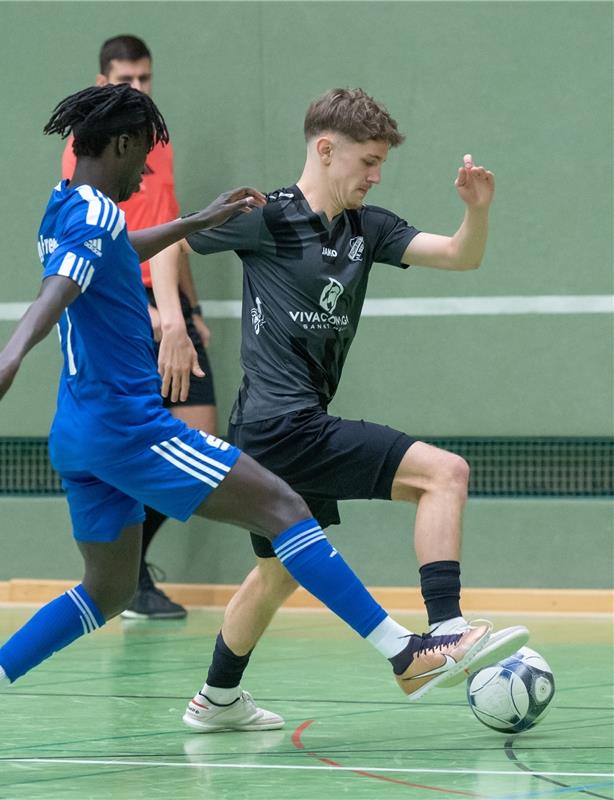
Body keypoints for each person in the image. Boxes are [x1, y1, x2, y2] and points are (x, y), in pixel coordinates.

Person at [0, 84, 494, 776]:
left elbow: (114, 247)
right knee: (287, 508)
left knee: (104, 590)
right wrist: (8, 357)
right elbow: (64, 285)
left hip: (76, 431)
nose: (148, 177)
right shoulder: (100, 208)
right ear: (125, 145)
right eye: (148, 161)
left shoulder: (66, 206)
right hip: (129, 426)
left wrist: (197, 218)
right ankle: (405, 654)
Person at [149, 88, 529, 733]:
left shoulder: (368, 228)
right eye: (368, 162)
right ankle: (446, 631)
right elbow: (168, 243)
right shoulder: (263, 215)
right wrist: (173, 324)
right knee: (445, 474)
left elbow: (462, 255)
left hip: (271, 430)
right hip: (281, 422)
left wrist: (477, 213)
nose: (376, 175)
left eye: (382, 164)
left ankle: (215, 700)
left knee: (275, 577)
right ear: (326, 150)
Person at [61, 34, 217, 620]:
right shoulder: (93, 151)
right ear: (103, 82)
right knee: (138, 439)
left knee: (203, 432)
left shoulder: (157, 145)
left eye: (146, 80)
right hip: (130, 305)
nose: (139, 90)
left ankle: (134, 570)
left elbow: (169, 231)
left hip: (168, 299)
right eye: (127, 81)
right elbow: (107, 247)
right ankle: (126, 581)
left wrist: (190, 312)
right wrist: (151, 314)